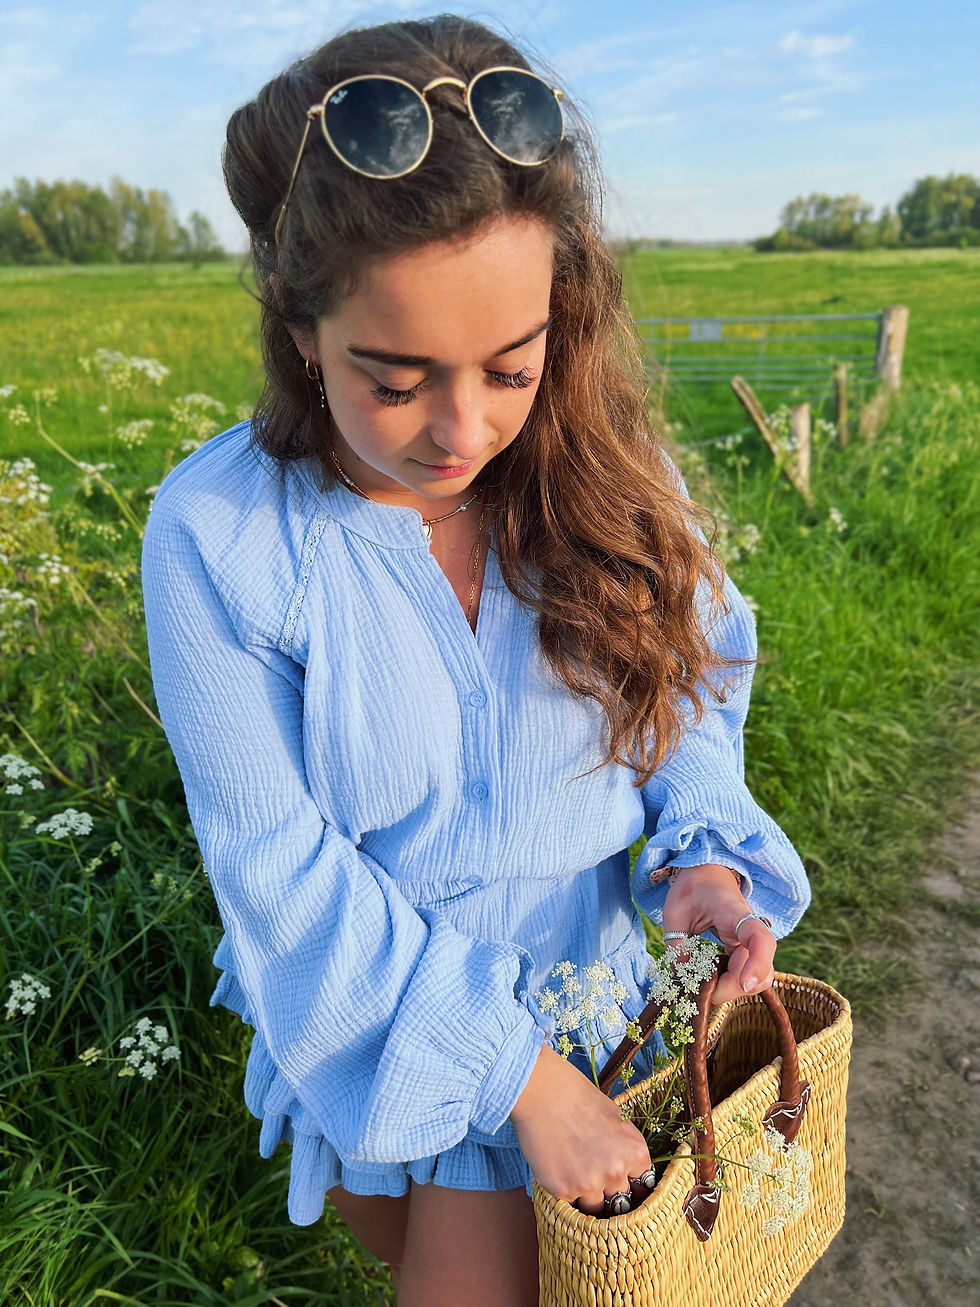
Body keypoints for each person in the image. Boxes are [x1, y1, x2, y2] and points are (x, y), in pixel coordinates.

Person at [140, 13, 810, 1306]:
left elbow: (694, 682)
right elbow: (275, 864)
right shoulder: (221, 537)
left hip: (621, 992)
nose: (463, 430)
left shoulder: (612, 477)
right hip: (391, 1009)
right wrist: (520, 1078)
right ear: (298, 332)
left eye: (512, 367)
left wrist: (705, 858)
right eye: (394, 380)